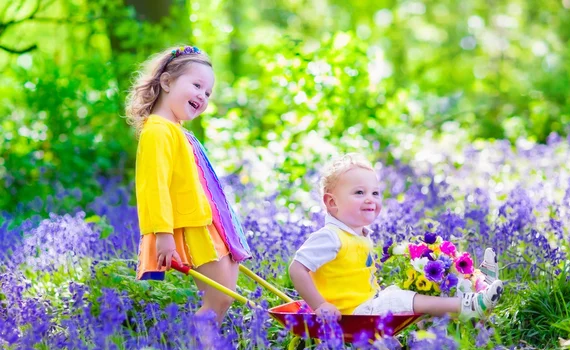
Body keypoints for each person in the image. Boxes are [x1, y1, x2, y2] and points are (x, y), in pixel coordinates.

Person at [288, 153, 503, 321]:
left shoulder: (358, 234)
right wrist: (320, 305)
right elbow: (297, 268)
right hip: (352, 314)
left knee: (419, 291)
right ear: (332, 203)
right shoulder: (330, 237)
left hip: (367, 305)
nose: (370, 199)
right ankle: (471, 307)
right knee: (407, 299)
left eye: (375, 193)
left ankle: (478, 285)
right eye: (359, 193)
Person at [125, 45, 251, 324]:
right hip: (194, 226)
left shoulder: (176, 131)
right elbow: (153, 187)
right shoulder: (157, 130)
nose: (202, 97)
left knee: (224, 296)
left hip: (209, 224)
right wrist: (162, 234)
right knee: (217, 297)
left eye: (207, 93)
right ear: (167, 82)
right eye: (196, 85)